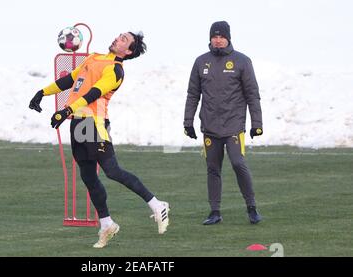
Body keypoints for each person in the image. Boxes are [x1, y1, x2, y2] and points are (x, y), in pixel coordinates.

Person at [29, 31, 170, 248]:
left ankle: (156, 204)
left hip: (94, 123)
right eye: (120, 35)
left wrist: (66, 110)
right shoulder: (93, 57)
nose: (117, 38)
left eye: (124, 39)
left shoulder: (116, 70)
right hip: (78, 123)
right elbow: (70, 80)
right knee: (87, 176)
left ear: (129, 51)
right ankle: (106, 224)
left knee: (112, 170)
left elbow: (93, 94)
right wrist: (43, 92)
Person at [183, 21, 263, 225]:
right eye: (214, 36)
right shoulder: (201, 62)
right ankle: (215, 212)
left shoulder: (242, 61)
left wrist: (256, 123)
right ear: (210, 38)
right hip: (210, 126)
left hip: (234, 125)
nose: (217, 40)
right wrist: (188, 121)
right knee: (213, 168)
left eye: (221, 36)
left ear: (228, 38)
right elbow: (193, 94)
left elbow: (252, 94)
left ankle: (252, 207)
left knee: (238, 163)